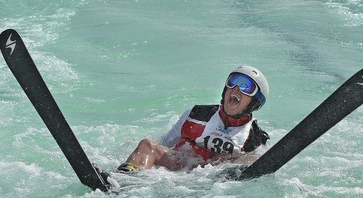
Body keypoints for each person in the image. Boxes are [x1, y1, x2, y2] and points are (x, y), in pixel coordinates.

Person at [97, 65, 270, 183]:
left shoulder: (256, 138)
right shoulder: (195, 115)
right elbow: (165, 145)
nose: (236, 89)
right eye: (233, 82)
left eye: (246, 86)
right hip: (181, 165)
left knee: (254, 158)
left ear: (255, 102)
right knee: (147, 146)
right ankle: (122, 180)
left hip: (212, 180)